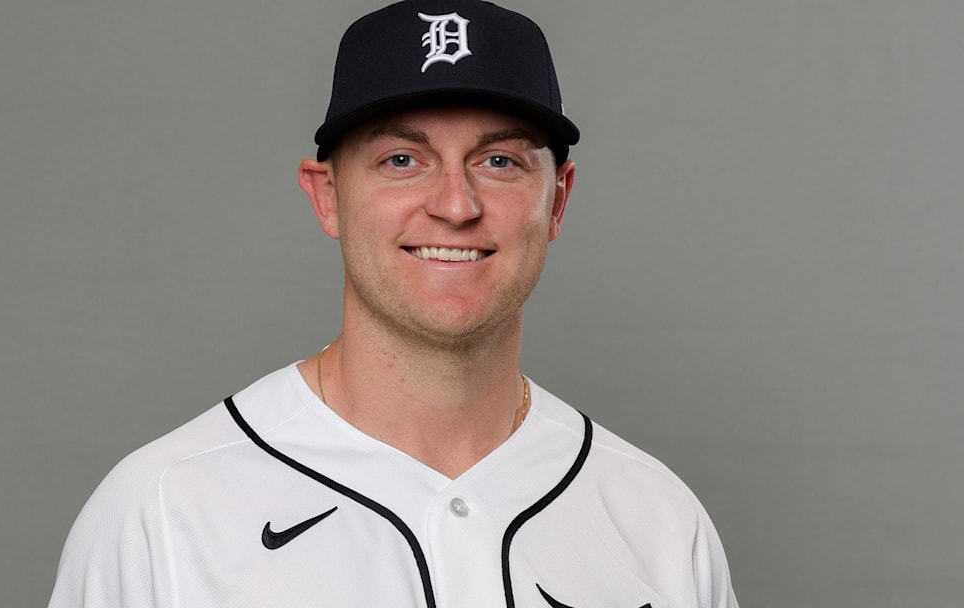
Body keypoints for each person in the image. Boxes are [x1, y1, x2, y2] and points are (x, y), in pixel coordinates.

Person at [48, 1, 738, 606]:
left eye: (498, 161)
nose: (455, 206)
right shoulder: (163, 512)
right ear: (327, 196)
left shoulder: (659, 522)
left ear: (557, 200)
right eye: (401, 161)